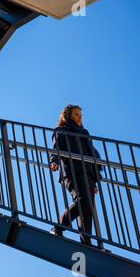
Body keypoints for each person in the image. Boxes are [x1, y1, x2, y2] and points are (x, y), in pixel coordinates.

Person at [49, 104, 103, 246]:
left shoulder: (84, 133)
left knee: (88, 208)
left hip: (88, 172)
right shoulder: (61, 130)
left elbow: (90, 152)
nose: (79, 117)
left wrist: (95, 180)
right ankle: (58, 227)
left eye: (80, 115)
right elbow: (56, 148)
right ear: (68, 116)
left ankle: (86, 242)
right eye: (76, 114)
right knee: (83, 201)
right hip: (72, 171)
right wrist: (54, 160)